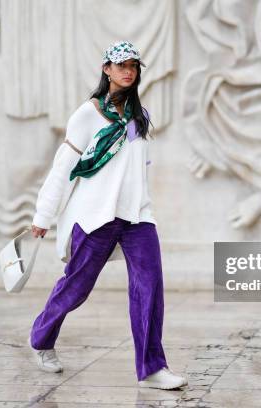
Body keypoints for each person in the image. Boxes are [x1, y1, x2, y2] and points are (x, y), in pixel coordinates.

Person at [27, 41, 188, 390]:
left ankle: (151, 368)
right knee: (77, 287)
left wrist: (146, 207)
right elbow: (63, 167)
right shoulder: (88, 114)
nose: (127, 71)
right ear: (107, 69)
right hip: (95, 216)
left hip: (137, 217)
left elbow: (139, 169)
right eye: (120, 65)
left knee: (150, 287)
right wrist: (44, 215)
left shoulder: (141, 117)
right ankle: (41, 338)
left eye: (133, 65)